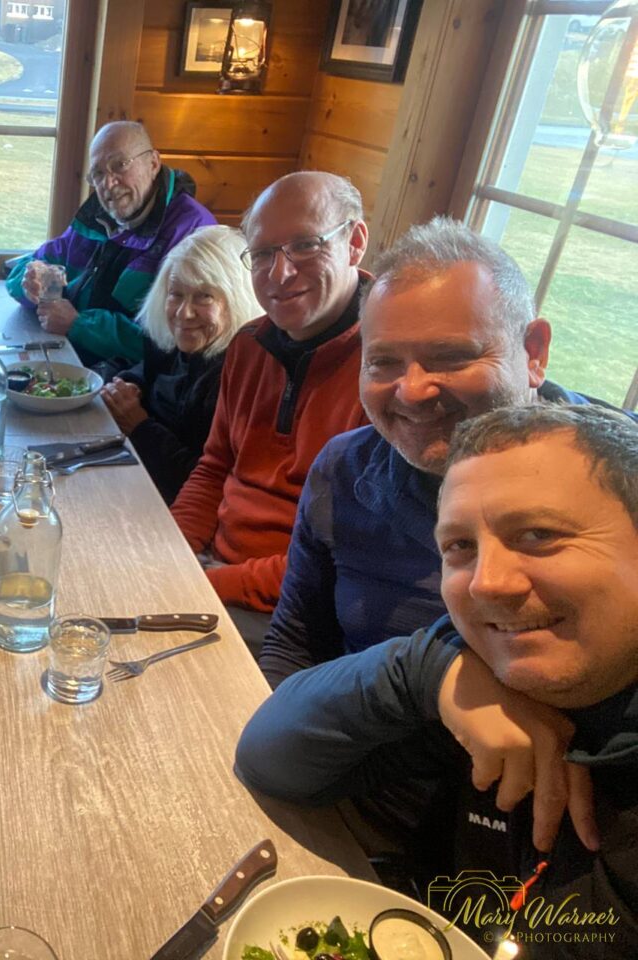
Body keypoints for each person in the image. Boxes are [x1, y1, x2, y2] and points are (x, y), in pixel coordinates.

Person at [236, 405, 638, 957]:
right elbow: (269, 758)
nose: (487, 584)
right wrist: (424, 673)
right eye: (460, 548)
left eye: (540, 534)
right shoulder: (489, 673)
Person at [259, 218, 634, 688]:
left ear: (533, 352)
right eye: (383, 362)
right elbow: (295, 644)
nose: (412, 391)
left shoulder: (620, 475)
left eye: (452, 358)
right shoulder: (344, 470)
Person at [169, 171, 371, 650]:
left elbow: (339, 559)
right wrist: (170, 552)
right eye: (262, 254)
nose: (279, 273)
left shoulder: (387, 369)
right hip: (215, 572)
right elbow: (215, 466)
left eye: (305, 245)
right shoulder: (248, 344)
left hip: (296, 609)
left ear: (355, 241)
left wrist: (206, 585)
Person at [6, 121, 217, 369]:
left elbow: (171, 339)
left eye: (120, 165)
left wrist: (79, 325)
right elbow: (25, 267)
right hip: (73, 361)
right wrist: (31, 279)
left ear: (153, 163)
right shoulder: (97, 216)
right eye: (98, 174)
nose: (108, 184)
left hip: (138, 385)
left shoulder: (192, 231)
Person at [100, 225, 258, 503]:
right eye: (176, 294)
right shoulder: (177, 342)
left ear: (235, 299)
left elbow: (206, 484)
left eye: (203, 296)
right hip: (140, 481)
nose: (184, 313)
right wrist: (128, 386)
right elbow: (145, 373)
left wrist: (140, 426)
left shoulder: (238, 375)